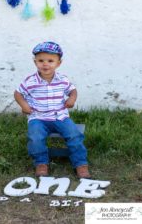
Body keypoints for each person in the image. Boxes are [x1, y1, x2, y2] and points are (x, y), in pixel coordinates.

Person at [14, 41, 91, 178]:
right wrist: (24, 105)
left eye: (50, 61)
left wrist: (71, 99)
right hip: (38, 117)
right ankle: (41, 163)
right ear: (35, 62)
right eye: (41, 60)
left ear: (58, 63)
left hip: (60, 116)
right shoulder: (30, 81)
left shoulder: (62, 80)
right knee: (36, 137)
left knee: (74, 135)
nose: (45, 64)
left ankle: (81, 164)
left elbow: (72, 91)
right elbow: (18, 93)